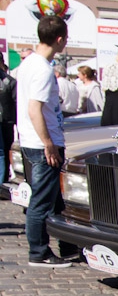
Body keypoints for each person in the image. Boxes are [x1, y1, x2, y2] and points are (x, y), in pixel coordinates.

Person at [18, 14, 77, 267]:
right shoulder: (42, 68)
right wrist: (48, 142)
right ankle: (39, 252)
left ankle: (67, 244)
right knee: (41, 202)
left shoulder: (29, 63)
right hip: (42, 143)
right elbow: (35, 108)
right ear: (60, 39)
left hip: (32, 141)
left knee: (53, 199)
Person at [0, 52, 15, 183]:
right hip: (6, 120)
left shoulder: (9, 81)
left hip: (6, 121)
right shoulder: (8, 81)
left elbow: (15, 102)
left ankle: (3, 182)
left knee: (3, 153)